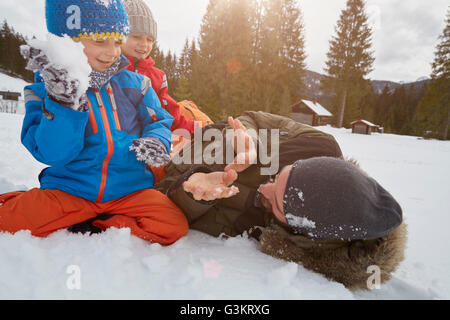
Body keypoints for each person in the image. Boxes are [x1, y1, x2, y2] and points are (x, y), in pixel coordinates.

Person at [0, 0, 188, 245]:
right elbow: (52, 153)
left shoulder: (137, 84)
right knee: (7, 220)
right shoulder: (44, 90)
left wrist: (156, 139)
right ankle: (52, 207)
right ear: (67, 42)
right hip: (70, 190)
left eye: (118, 41)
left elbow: (160, 120)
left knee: (172, 224)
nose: (112, 52)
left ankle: (102, 221)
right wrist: (64, 104)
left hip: (130, 189)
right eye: (100, 40)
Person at [156, 111, 407, 290]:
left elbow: (171, 207)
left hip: (167, 162)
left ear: (300, 231)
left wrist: (194, 192)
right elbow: (252, 118)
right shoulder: (318, 143)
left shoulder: (276, 236)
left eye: (276, 203)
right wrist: (249, 143)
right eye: (279, 176)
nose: (265, 189)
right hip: (201, 129)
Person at [121, 0, 200, 136]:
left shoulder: (156, 76)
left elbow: (169, 112)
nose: (144, 44)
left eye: (150, 39)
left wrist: (195, 130)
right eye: (136, 37)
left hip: (151, 139)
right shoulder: (111, 70)